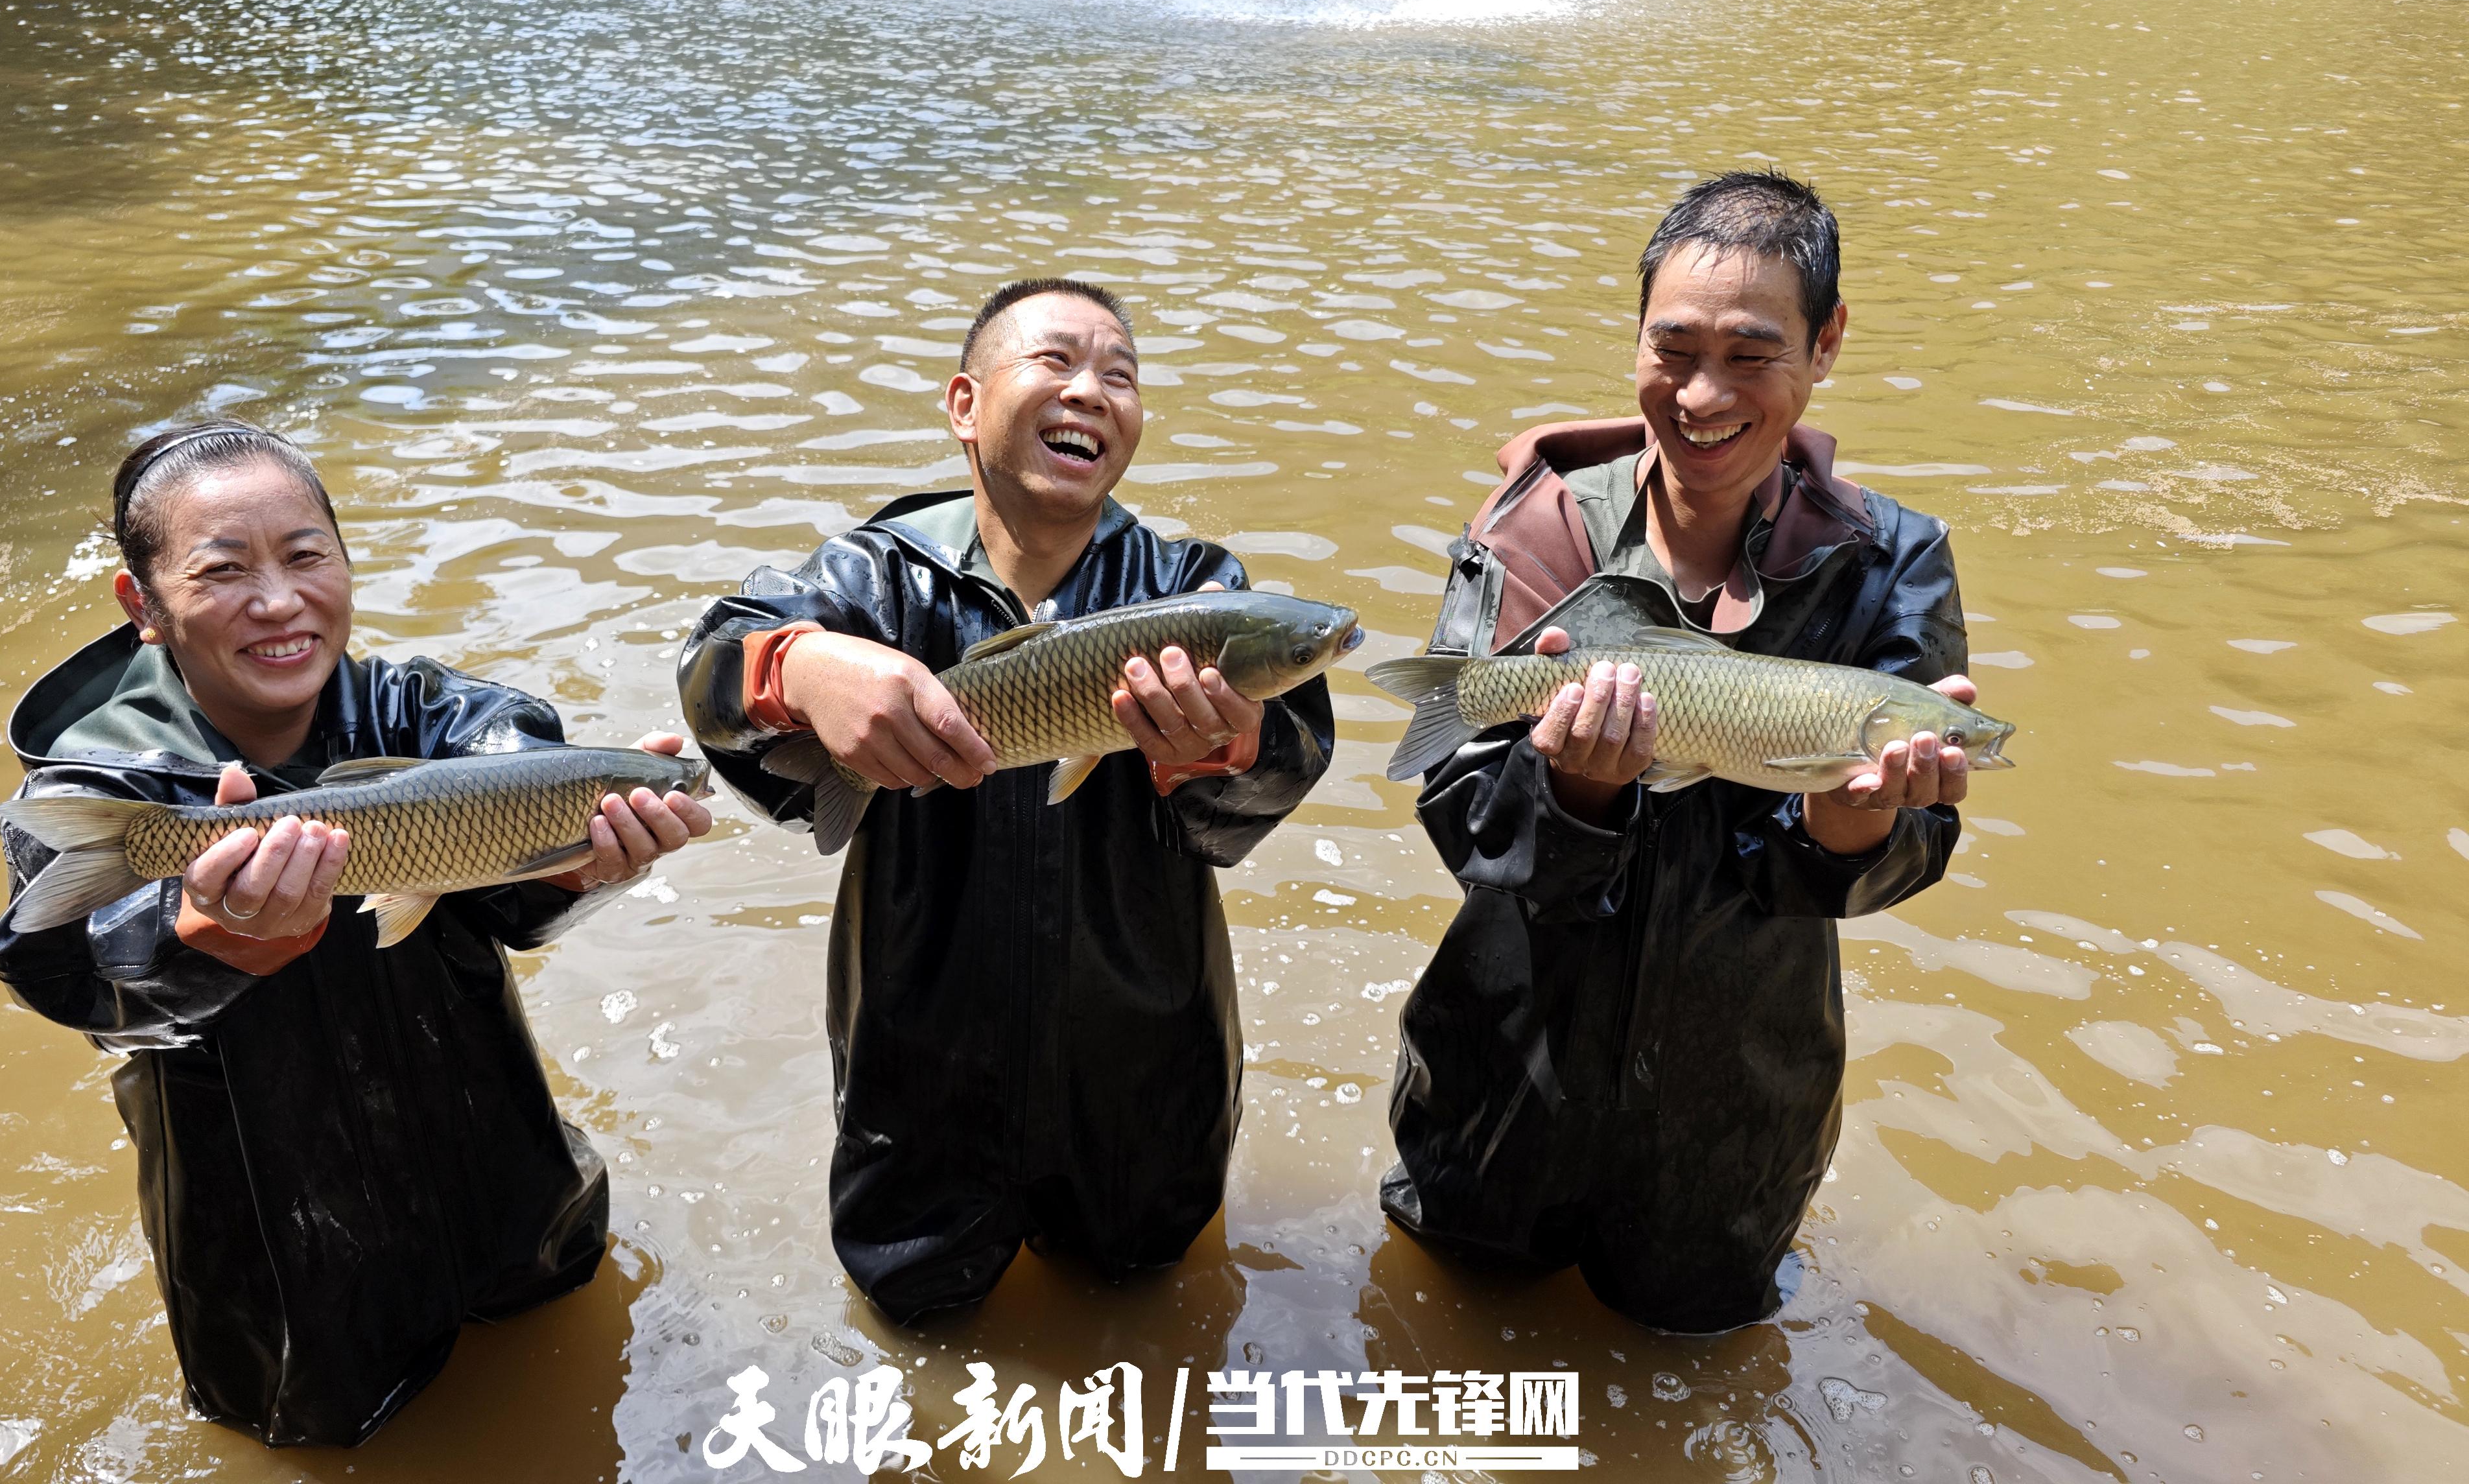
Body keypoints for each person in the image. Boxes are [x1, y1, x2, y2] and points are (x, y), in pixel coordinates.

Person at [0, 421, 710, 1446]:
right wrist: (203, 938)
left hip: (500, 1168)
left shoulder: (437, 717)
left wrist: (586, 864)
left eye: (306, 556)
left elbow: (517, 876)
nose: (280, 602)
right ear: (141, 605)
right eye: (225, 570)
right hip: (275, 1247)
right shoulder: (95, 785)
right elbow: (60, 976)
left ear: (345, 560)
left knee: (578, 1399)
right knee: (328, 1435)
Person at [1379, 172, 1978, 1334]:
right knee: (1442, 1345)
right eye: (1675, 349)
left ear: (1827, 343)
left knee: (1693, 1358)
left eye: (1752, 355)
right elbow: (1466, 825)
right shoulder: (1533, 527)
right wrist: (1576, 792)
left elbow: (1902, 851)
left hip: (1737, 1104)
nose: (1703, 394)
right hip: (1504, 1073)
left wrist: (1851, 830)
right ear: (1636, 340)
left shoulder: (1891, 559)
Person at [679, 279, 1335, 1324]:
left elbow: (1289, 768)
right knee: (912, 1321)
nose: (1092, 391)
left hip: (1145, 1060)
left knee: (1150, 1301)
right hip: (921, 1061)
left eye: (1120, 375)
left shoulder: (1197, 588)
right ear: (963, 405)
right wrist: (798, 668)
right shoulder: (872, 578)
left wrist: (1227, 746)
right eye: (1056, 362)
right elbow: (711, 675)